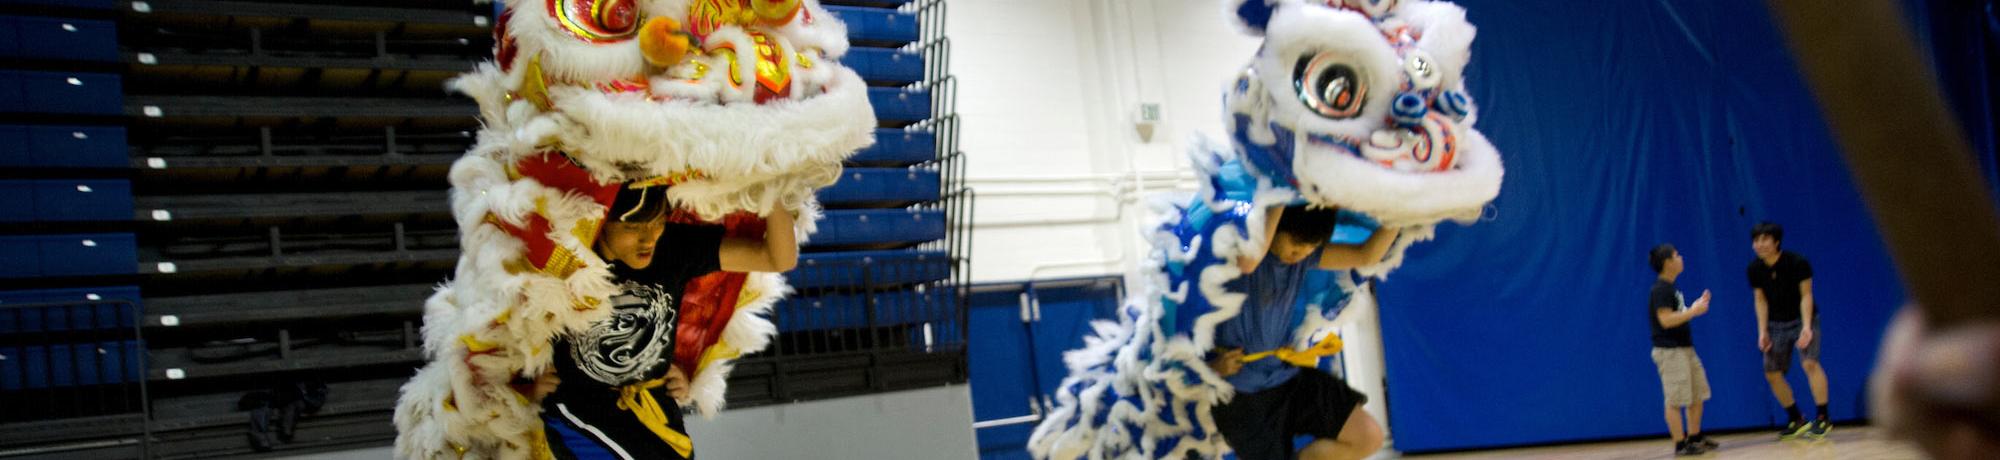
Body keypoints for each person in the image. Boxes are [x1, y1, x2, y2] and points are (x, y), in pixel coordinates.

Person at [538, 185, 797, 459]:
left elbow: (777, 258)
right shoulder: (565, 254)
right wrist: (525, 384)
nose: (648, 239)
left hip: (658, 413)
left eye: (658, 223)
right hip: (580, 415)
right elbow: (505, 320)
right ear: (601, 222)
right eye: (633, 227)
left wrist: (771, 188)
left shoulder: (673, 246)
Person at [1205, 204, 1399, 460]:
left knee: (1368, 436)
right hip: (1241, 394)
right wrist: (1280, 191)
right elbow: (1250, 262)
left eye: (1311, 246)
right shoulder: (1242, 253)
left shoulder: (1305, 258)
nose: (1301, 252)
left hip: (1288, 377)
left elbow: (1366, 256)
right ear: (1274, 229)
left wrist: (1401, 212)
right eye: (1296, 243)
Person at [1747, 222, 1831, 439]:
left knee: (1810, 363)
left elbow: (1806, 295)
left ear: (1776, 242)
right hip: (1775, 324)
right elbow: (1760, 300)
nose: (1759, 244)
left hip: (1804, 318)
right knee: (1772, 373)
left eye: (1765, 239)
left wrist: (1806, 327)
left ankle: (1823, 418)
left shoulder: (1797, 262)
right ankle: (1796, 418)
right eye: (1756, 240)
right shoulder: (1754, 269)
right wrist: (1762, 331)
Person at [1648, 244, 1719, 456]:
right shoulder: (1660, 289)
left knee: (1697, 394)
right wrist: (1694, 312)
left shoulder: (1672, 288)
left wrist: (1692, 308)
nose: (1681, 258)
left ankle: (1694, 437)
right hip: (1670, 352)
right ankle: (1680, 444)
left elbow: (1677, 315)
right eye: (1677, 255)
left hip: (1685, 349)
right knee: (1675, 399)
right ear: (1668, 262)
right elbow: (1666, 320)